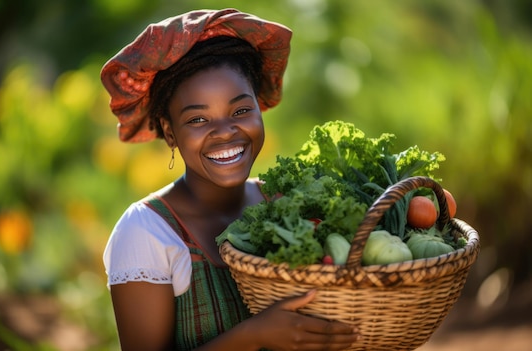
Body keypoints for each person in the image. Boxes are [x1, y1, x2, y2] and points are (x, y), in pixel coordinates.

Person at [101, 8, 361, 351]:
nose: (225, 132)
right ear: (169, 131)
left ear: (259, 107)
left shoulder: (284, 205)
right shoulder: (146, 232)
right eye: (197, 120)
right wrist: (254, 336)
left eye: (240, 111)